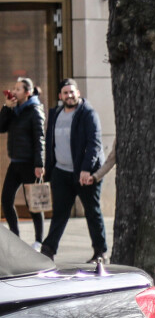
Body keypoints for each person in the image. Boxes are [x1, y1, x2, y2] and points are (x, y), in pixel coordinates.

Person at [41, 79, 106, 262]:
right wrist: (48, 169)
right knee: (59, 213)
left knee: (92, 212)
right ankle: (48, 250)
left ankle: (100, 252)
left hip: (85, 173)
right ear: (60, 96)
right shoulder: (56, 114)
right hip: (61, 172)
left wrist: (85, 170)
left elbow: (94, 144)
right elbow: (50, 143)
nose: (69, 95)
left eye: (72, 92)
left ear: (78, 93)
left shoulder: (88, 114)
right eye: (65, 93)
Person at [0, 77, 46, 247]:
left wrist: (39, 164)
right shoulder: (14, 109)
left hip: (29, 164)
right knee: (6, 199)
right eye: (14, 88)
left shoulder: (35, 111)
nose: (14, 91)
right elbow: (0, 127)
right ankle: (15, 236)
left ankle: (39, 240)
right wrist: (6, 107)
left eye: (18, 89)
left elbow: (40, 138)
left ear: (27, 93)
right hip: (15, 162)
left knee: (33, 203)